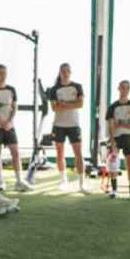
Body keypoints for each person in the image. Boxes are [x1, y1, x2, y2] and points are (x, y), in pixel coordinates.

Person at [0, 64, 31, 192]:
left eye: (4, 72)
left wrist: (10, 122)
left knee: (15, 153)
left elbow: (15, 106)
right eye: (0, 72)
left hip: (10, 126)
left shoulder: (12, 89)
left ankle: (19, 181)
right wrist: (2, 123)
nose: (2, 75)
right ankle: (1, 182)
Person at [47, 63, 88, 193]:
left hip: (74, 125)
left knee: (78, 154)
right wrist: (72, 104)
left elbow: (80, 104)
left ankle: (82, 183)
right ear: (60, 72)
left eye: (67, 71)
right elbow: (54, 108)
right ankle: (63, 181)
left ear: (70, 72)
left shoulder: (77, 87)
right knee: (60, 153)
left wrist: (64, 103)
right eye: (63, 71)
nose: (65, 73)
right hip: (58, 125)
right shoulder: (54, 89)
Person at [105, 80, 130, 202]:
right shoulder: (112, 107)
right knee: (113, 164)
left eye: (126, 88)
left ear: (129, 90)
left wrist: (119, 124)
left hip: (129, 138)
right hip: (116, 138)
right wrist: (112, 140)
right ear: (118, 88)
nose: (124, 90)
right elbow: (111, 126)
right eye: (122, 87)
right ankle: (114, 190)